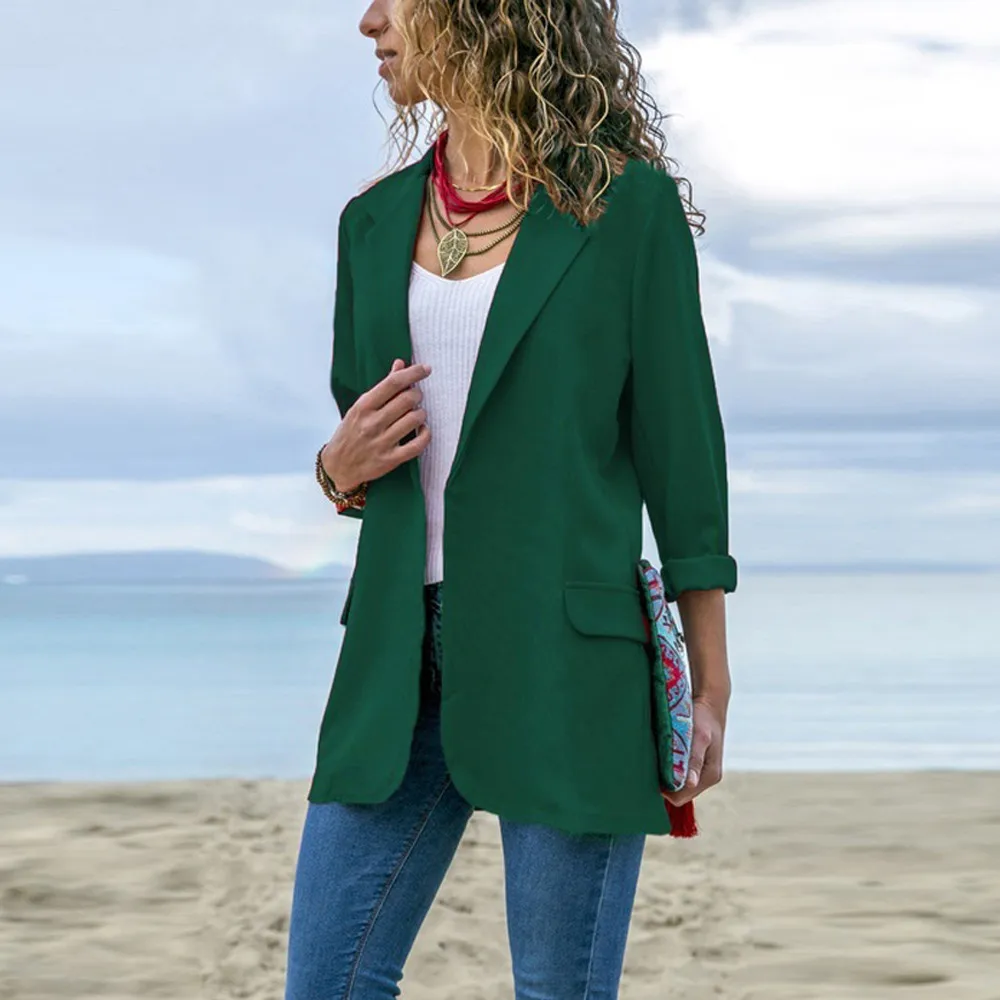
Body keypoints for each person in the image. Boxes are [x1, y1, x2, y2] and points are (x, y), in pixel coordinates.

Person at [285, 1, 738, 997]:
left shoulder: (625, 208)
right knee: (327, 983)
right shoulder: (371, 225)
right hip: (395, 663)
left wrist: (709, 679)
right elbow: (369, 464)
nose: (369, 20)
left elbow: (682, 455)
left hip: (568, 661)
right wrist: (334, 467)